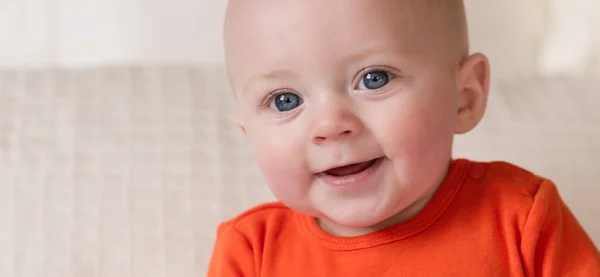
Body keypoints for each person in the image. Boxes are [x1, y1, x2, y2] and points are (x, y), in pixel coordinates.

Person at [208, 0, 600, 276]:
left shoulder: (520, 218)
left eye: (373, 79)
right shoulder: (252, 252)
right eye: (284, 100)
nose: (330, 125)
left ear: (465, 98)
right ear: (249, 133)